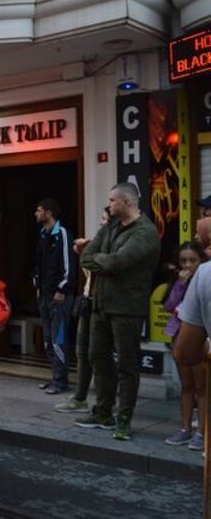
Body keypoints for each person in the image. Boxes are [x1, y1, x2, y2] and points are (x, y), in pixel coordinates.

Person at [72, 183, 160, 441]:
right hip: (101, 305)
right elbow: (89, 255)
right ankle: (102, 412)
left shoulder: (145, 232)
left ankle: (124, 419)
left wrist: (97, 258)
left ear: (127, 202)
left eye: (112, 201)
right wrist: (98, 258)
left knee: (127, 365)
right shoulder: (111, 225)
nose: (109, 205)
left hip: (127, 308)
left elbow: (119, 262)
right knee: (97, 357)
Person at [57, 207, 113, 413]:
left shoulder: (117, 245)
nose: (101, 223)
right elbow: (90, 274)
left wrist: (87, 253)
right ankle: (80, 397)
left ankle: (106, 402)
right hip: (88, 301)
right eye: (101, 218)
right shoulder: (97, 243)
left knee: (99, 354)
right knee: (82, 351)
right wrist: (84, 254)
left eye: (105, 219)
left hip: (105, 305)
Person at [161, 242, 207, 450]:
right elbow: (169, 306)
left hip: (198, 339)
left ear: (202, 261)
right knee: (186, 385)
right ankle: (185, 428)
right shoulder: (178, 280)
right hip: (179, 335)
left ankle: (202, 432)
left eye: (193, 261)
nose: (188, 265)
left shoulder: (205, 280)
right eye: (183, 261)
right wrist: (179, 284)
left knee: (202, 387)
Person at [32, 198, 76, 395]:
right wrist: (37, 285)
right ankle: (54, 377)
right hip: (44, 294)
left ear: (48, 213)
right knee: (48, 338)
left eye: (39, 210)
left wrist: (62, 289)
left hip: (58, 297)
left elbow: (69, 266)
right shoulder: (42, 235)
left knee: (58, 339)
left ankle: (61, 381)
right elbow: (37, 264)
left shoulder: (63, 234)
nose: (36, 213)